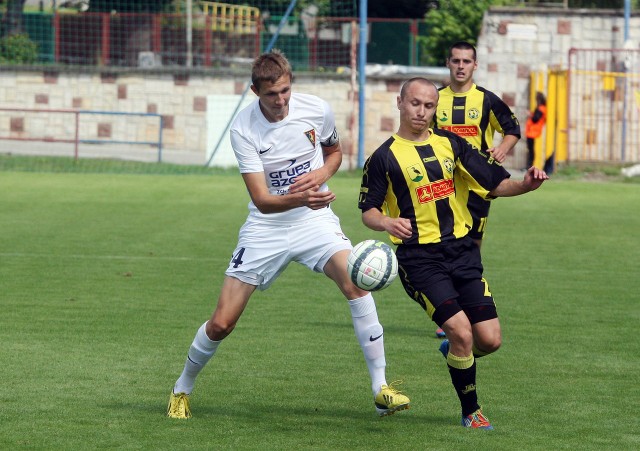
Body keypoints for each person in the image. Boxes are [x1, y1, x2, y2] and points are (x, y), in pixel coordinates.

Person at [166, 49, 410, 419]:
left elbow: (334, 153)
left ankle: (381, 389)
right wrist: (302, 196)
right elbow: (263, 201)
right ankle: (182, 389)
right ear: (254, 91)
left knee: (355, 283)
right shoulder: (243, 129)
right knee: (222, 322)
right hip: (267, 228)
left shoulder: (316, 109)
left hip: (315, 220)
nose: (280, 101)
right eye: (271, 95)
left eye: (285, 91)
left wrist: (323, 175)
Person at [357, 77, 548, 429]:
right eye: (415, 103)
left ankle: (457, 354)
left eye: (429, 106)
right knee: (460, 331)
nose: (422, 111)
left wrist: (526, 184)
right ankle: (471, 411)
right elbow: (368, 210)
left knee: (489, 340)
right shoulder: (383, 158)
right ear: (400, 103)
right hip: (420, 260)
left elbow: (496, 182)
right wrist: (386, 222)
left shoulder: (451, 144)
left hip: (462, 253)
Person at [432, 40, 521, 339]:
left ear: (475, 65)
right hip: (444, 185)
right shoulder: (435, 98)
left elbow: (513, 128)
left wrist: (502, 149)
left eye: (466, 61)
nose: (460, 66)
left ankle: (468, 309)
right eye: (455, 60)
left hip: (478, 185)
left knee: (471, 249)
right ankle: (448, 314)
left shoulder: (486, 100)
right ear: (448, 63)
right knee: (444, 245)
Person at [525, 91, 548, 171]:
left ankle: (529, 166)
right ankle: (529, 166)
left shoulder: (541, 108)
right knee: (530, 150)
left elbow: (535, 119)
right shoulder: (541, 108)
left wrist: (530, 114)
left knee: (531, 150)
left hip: (533, 132)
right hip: (532, 132)